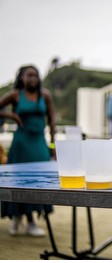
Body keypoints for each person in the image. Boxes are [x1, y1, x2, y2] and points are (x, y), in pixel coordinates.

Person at [0, 65, 56, 237]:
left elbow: (52, 120)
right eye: (29, 76)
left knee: (39, 180)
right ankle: (17, 217)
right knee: (19, 181)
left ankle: (32, 221)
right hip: (21, 143)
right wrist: (12, 116)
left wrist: (53, 146)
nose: (32, 79)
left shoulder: (45, 95)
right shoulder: (15, 95)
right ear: (21, 78)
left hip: (39, 142)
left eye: (35, 76)